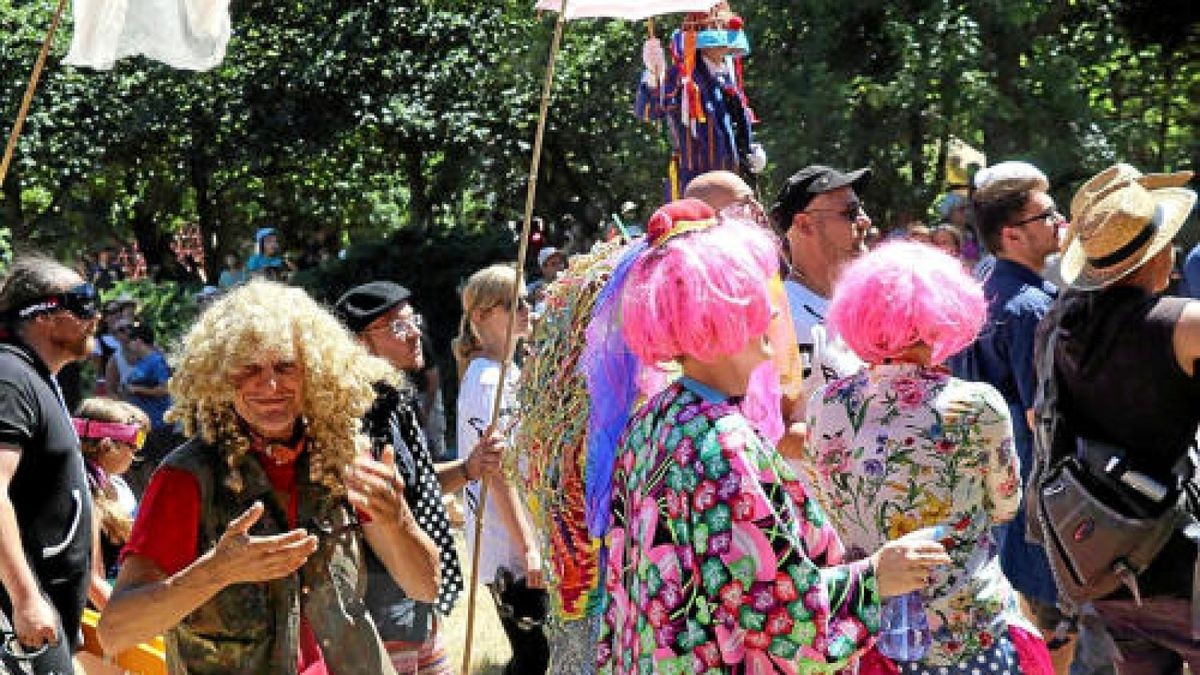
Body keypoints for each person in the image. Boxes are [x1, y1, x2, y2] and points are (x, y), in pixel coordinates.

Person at [592, 199, 950, 674]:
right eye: (756, 296)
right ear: (717, 316)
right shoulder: (723, 441)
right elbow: (773, 614)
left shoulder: (654, 419)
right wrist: (876, 577)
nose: (771, 312)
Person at [97, 279, 441, 674]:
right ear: (220, 378)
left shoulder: (342, 457)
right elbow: (115, 633)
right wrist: (215, 572)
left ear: (314, 371)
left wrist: (397, 519)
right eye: (249, 369)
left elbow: (424, 586)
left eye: (285, 366)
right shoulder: (187, 477)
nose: (270, 385)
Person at [805, 242, 1053, 673]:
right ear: (945, 312)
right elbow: (1004, 505)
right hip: (965, 631)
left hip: (870, 633)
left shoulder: (826, 404)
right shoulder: (976, 404)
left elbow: (829, 502)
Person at [1038, 163, 1199, 672]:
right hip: (1178, 553)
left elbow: (1035, 419)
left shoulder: (1057, 327)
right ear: (1159, 253)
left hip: (1103, 553)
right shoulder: (1184, 325)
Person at [945, 160, 1076, 669]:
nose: (1059, 222)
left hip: (985, 493)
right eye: (1047, 214)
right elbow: (1040, 418)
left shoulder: (983, 293)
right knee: (1052, 631)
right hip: (1032, 499)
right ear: (1011, 234)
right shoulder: (1031, 308)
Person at [335, 280, 504, 674]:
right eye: (396, 325)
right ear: (360, 342)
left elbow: (418, 486)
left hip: (419, 599)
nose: (414, 333)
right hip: (385, 605)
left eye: (413, 320)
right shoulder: (359, 415)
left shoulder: (395, 399)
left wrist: (467, 469)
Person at [0, 255, 100, 674]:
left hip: (47, 612)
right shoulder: (9, 375)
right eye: (82, 301)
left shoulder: (36, 378)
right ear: (40, 314)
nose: (95, 313)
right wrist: (25, 598)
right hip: (18, 613)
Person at [452, 265, 549, 675]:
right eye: (513, 304)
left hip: (519, 531)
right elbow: (497, 470)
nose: (526, 310)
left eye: (527, 300)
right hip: (507, 542)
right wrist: (527, 547)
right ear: (480, 318)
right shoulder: (488, 382)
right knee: (532, 657)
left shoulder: (506, 372)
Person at [635, 2, 765, 198]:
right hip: (696, 185)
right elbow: (648, 111)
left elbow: (734, 128)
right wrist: (653, 75)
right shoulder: (681, 77)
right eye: (716, 28)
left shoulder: (728, 76)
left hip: (734, 185)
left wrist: (749, 151)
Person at [73, 398, 149, 610]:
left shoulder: (116, 485)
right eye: (134, 443)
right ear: (107, 445)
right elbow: (92, 581)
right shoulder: (84, 491)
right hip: (93, 612)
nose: (135, 454)